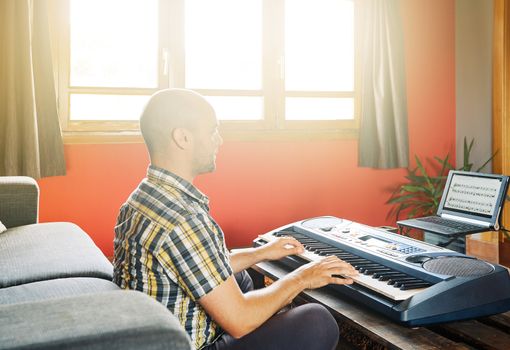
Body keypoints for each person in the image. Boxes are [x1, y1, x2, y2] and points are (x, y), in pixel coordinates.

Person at [113, 88, 358, 350]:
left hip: (153, 331)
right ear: (183, 137)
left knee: (240, 279)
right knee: (317, 321)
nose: (219, 141)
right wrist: (303, 277)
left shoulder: (145, 197)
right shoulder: (183, 219)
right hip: (191, 344)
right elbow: (239, 320)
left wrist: (261, 253)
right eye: (212, 131)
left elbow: (200, 263)